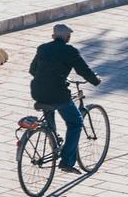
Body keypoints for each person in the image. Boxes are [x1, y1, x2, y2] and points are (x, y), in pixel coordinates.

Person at [29, 24, 100, 174]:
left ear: (53, 36)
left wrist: (48, 77)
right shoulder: (70, 51)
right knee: (76, 122)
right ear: (67, 38)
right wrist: (95, 80)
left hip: (38, 92)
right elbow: (83, 70)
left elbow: (32, 70)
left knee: (49, 110)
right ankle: (67, 161)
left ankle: (51, 136)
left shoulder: (42, 48)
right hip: (58, 94)